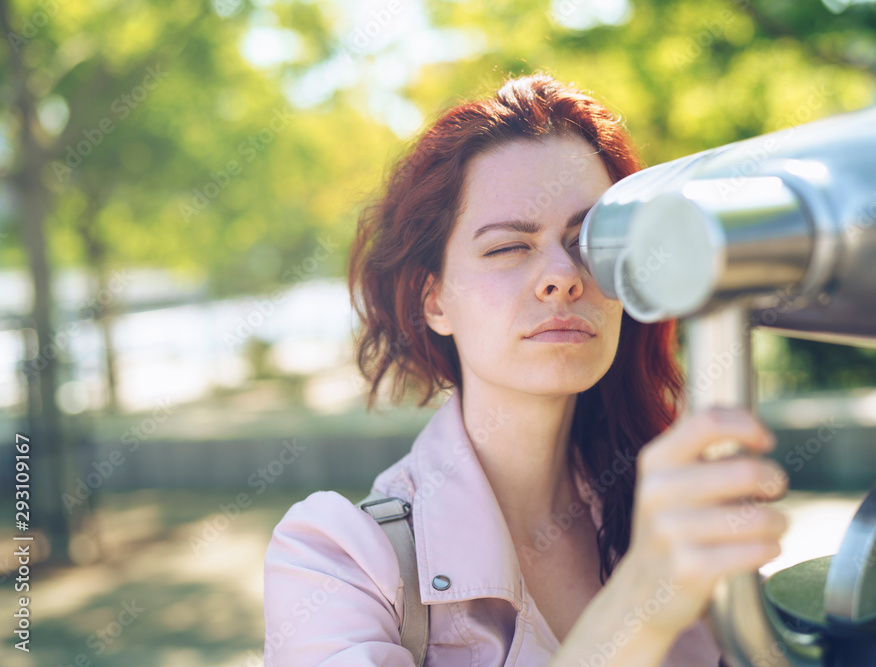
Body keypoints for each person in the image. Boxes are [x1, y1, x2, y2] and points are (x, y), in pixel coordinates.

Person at [261, 72, 794, 666]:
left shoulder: (667, 515)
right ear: (434, 300)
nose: (563, 275)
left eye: (588, 242)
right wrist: (641, 599)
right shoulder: (339, 560)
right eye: (509, 247)